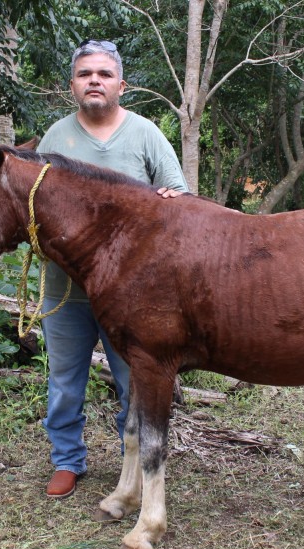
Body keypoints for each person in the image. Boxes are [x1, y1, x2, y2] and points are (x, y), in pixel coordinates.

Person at [37, 39, 190, 498]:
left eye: (104, 74)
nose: (95, 81)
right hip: (67, 291)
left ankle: (138, 463)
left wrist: (170, 201)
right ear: (72, 85)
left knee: (135, 382)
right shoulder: (54, 140)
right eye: (85, 74)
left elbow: (178, 198)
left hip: (133, 298)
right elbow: (34, 207)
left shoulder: (145, 134)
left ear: (121, 85)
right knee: (65, 382)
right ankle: (67, 460)